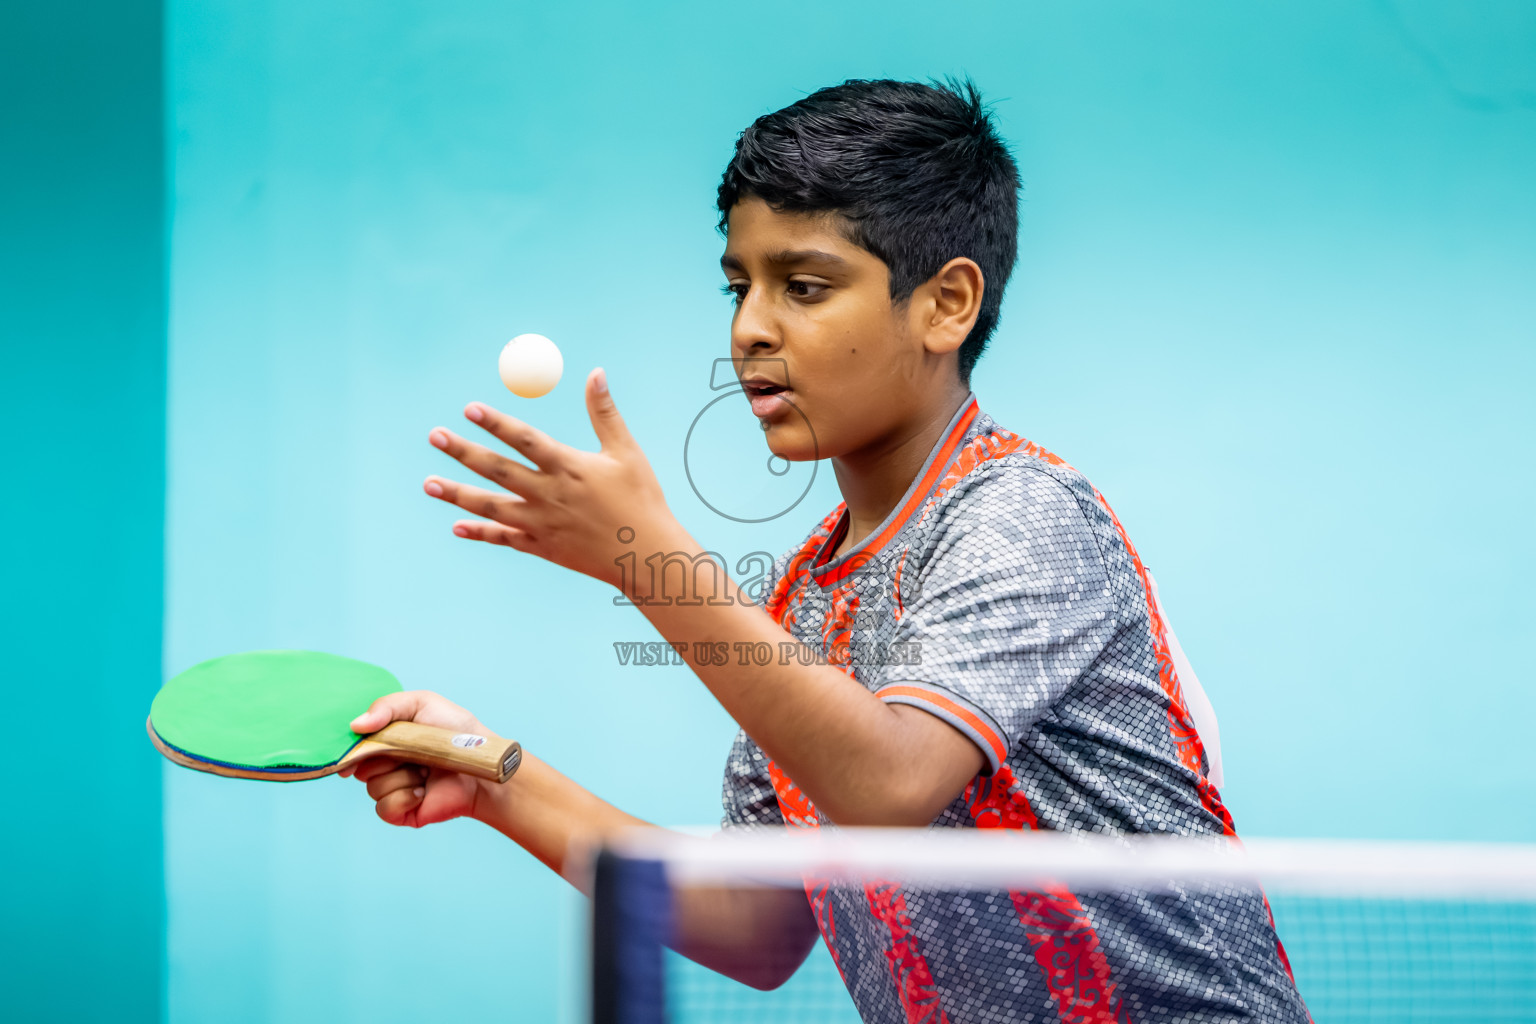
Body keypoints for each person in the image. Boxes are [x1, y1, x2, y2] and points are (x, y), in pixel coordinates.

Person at [344, 78, 1311, 1022]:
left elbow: (890, 784)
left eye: (803, 287)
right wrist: (493, 778)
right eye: (739, 285)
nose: (750, 329)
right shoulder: (807, 596)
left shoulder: (1023, 513)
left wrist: (642, 556)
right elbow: (758, 928)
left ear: (946, 305)